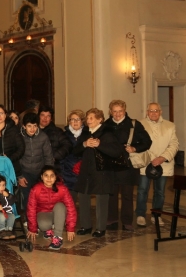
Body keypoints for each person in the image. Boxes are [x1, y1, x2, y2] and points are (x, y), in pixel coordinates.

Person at [73, 108, 123, 237]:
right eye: (87, 118)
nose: (88, 121)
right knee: (83, 197)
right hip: (86, 171)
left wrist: (99, 145)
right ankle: (86, 226)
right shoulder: (85, 133)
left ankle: (101, 228)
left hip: (102, 172)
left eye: (91, 118)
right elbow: (75, 151)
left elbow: (116, 151)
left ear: (100, 119)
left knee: (101, 200)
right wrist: (84, 144)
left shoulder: (107, 133)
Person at [104, 99, 152, 231]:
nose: (118, 114)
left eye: (120, 111)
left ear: (125, 111)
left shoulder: (134, 124)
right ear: (110, 112)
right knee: (111, 194)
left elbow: (147, 142)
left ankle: (127, 221)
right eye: (115, 111)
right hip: (110, 166)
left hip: (127, 166)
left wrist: (134, 148)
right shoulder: (105, 125)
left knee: (127, 195)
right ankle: (112, 219)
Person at [137, 102, 178, 227]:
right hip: (145, 163)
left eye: (156, 110)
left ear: (160, 112)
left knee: (160, 191)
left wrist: (162, 157)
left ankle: (156, 215)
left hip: (163, 164)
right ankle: (140, 215)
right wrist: (150, 157)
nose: (153, 113)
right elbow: (137, 143)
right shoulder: (140, 124)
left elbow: (174, 144)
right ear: (147, 112)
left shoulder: (170, 126)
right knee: (142, 190)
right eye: (151, 110)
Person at [27, 166, 77, 250]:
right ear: (41, 177)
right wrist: (32, 228)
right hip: (44, 213)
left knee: (60, 206)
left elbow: (71, 208)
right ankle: (48, 230)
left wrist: (70, 228)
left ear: (56, 177)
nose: (49, 178)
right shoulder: (36, 189)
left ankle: (57, 237)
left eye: (52, 176)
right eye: (46, 175)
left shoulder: (62, 189)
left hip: (59, 213)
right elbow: (31, 209)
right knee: (43, 225)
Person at [17, 113, 54, 206]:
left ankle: (40, 219)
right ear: (24, 126)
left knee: (41, 198)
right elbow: (16, 158)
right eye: (29, 126)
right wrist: (19, 176)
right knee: (27, 198)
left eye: (35, 126)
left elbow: (48, 157)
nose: (32, 129)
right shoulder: (18, 137)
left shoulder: (43, 137)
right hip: (25, 172)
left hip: (40, 172)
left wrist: (47, 174)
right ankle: (29, 219)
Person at [60, 109, 86, 195]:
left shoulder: (87, 134)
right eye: (72, 119)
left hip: (83, 172)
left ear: (82, 121)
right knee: (70, 202)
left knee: (84, 203)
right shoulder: (63, 135)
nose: (75, 122)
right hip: (68, 172)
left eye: (77, 119)